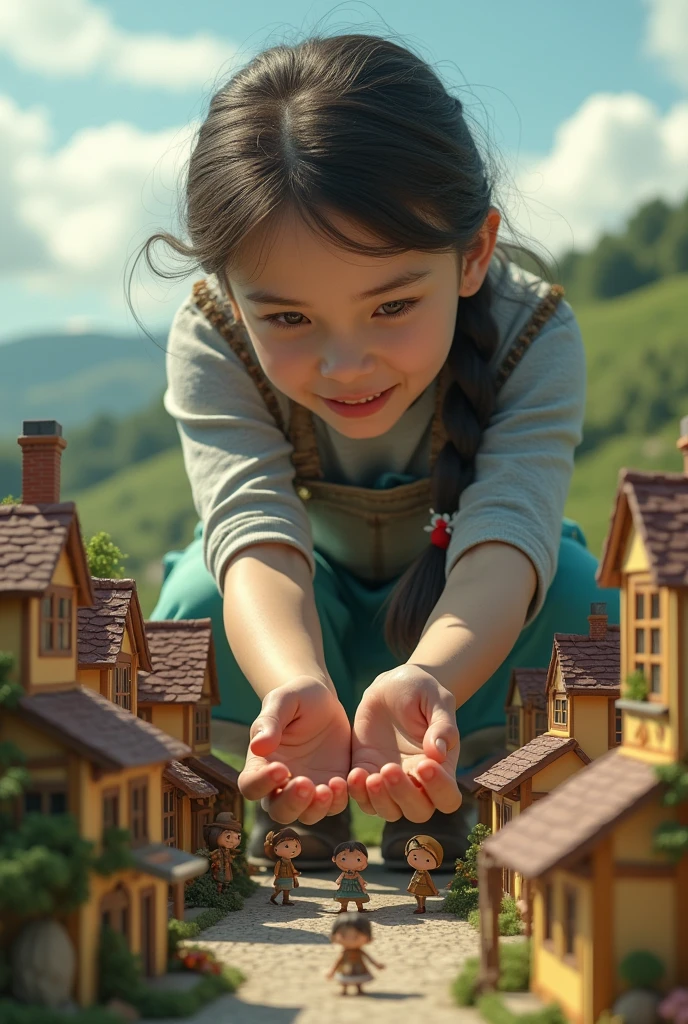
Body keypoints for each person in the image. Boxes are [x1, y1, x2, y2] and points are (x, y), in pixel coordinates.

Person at [138, 33, 620, 868]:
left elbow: (510, 527)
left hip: (472, 624)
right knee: (191, 599)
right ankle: (297, 789)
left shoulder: (533, 330)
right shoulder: (211, 334)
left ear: (472, 253)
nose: (346, 363)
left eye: (392, 306)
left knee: (585, 603)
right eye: (288, 318)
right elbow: (250, 528)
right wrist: (293, 684)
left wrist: (433, 675)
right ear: (227, 290)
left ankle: (454, 782)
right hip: (297, 621)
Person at [327, 913, 384, 996]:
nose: (350, 939)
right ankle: (344, 990)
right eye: (343, 935)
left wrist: (377, 965)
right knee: (345, 979)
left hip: (359, 967)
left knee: (358, 979)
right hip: (347, 968)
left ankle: (359, 989)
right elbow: (338, 961)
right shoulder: (345, 952)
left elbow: (369, 958)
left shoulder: (358, 951)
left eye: (356, 937)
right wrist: (332, 971)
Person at [202, 811, 243, 893]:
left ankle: (225, 891)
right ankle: (218, 892)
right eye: (228, 837)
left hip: (226, 867)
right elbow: (212, 856)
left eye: (238, 837)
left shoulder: (227, 851)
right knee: (219, 879)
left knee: (227, 878)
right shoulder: (217, 851)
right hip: (219, 867)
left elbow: (230, 858)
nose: (232, 841)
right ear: (216, 834)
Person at [405, 835, 443, 914]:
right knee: (417, 896)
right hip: (417, 887)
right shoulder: (418, 871)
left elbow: (429, 882)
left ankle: (421, 907)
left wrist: (434, 890)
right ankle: (420, 906)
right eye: (415, 858)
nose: (420, 862)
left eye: (427, 860)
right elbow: (413, 879)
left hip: (423, 887)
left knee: (421, 896)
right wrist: (410, 887)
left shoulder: (425, 873)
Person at [265, 827, 302, 905]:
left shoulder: (289, 861)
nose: (293, 850)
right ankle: (273, 898)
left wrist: (295, 873)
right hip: (281, 877)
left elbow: (292, 868)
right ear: (275, 849)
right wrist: (276, 876)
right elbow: (276, 870)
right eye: (286, 846)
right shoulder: (280, 862)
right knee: (278, 890)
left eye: (295, 846)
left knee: (287, 890)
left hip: (288, 878)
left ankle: (286, 900)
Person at [332, 841, 371, 913]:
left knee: (358, 898)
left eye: (358, 859)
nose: (351, 863)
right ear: (334, 859)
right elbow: (340, 878)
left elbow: (359, 878)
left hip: (356, 887)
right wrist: (338, 881)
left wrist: (362, 883)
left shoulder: (356, 874)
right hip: (345, 886)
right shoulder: (344, 873)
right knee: (344, 898)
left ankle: (360, 908)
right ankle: (343, 908)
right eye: (343, 859)